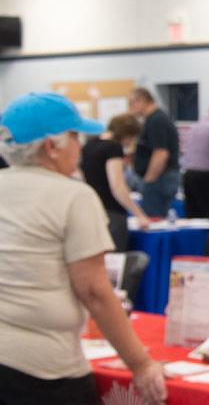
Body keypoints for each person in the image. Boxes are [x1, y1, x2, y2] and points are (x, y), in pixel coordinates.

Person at [0, 93, 166, 404]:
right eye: (75, 137)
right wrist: (140, 364)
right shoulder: (73, 196)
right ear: (51, 147)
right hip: (43, 372)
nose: (81, 146)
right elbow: (94, 291)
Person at [79, 113, 152, 251]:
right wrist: (139, 215)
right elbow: (117, 186)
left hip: (93, 211)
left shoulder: (89, 146)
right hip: (112, 212)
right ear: (127, 135)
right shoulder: (113, 148)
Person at [127, 87, 179, 218]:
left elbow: (161, 154)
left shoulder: (157, 120)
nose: (130, 108)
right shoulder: (153, 120)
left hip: (159, 179)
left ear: (141, 100)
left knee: (153, 219)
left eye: (131, 103)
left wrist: (148, 181)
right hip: (160, 178)